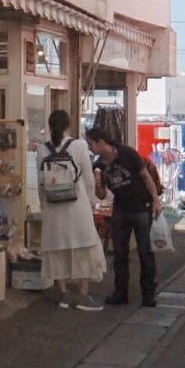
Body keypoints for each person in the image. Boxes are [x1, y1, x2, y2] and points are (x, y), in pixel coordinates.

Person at [84, 127, 161, 308]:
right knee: (120, 254)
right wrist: (97, 183)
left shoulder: (127, 153)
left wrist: (156, 200)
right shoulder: (99, 165)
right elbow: (102, 195)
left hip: (141, 207)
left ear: (101, 142)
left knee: (144, 252)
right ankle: (120, 293)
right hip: (120, 210)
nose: (90, 148)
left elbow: (146, 177)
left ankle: (148, 294)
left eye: (91, 144)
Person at [37, 110, 105, 309]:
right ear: (68, 125)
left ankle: (63, 292)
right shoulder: (79, 146)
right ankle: (83, 294)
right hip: (77, 206)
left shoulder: (42, 149)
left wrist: (43, 204)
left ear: (50, 126)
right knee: (84, 246)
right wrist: (92, 202)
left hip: (52, 207)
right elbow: (89, 179)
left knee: (57, 248)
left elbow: (41, 182)